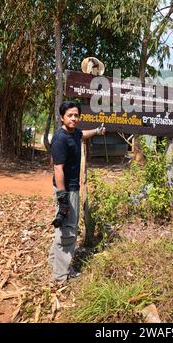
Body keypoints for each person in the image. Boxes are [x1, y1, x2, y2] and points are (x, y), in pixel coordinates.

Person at [48, 100, 106, 284]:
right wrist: (63, 197)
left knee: (64, 225)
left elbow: (82, 135)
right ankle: (61, 275)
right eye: (69, 115)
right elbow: (58, 169)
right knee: (69, 229)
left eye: (76, 115)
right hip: (67, 189)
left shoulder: (74, 133)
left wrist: (96, 131)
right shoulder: (60, 139)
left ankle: (54, 262)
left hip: (71, 187)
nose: (73, 118)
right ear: (62, 117)